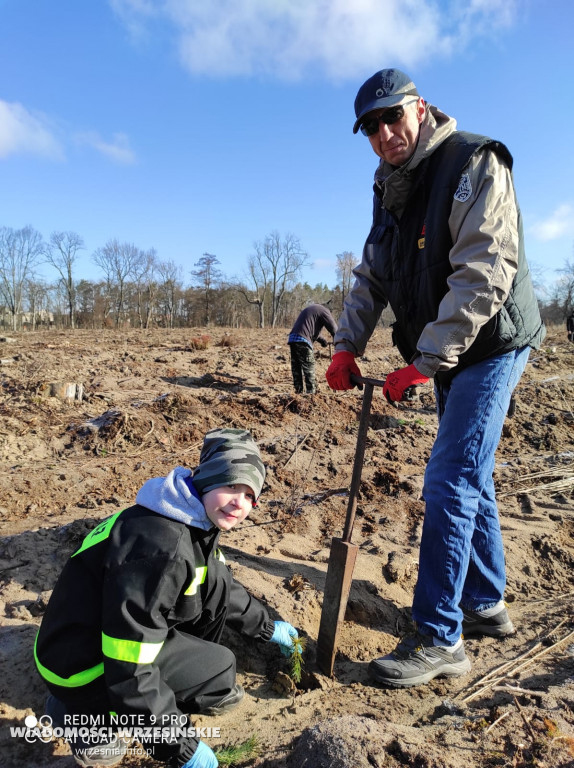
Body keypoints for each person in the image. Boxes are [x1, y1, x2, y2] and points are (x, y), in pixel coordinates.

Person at [326, 68, 545, 688]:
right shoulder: (390, 185)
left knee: (450, 475)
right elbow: (373, 274)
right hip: (449, 345)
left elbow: (484, 272)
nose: (384, 133)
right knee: (470, 471)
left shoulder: (473, 163)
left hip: (492, 338)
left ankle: (440, 636)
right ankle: (483, 603)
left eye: (392, 117)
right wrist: (346, 347)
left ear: (419, 108)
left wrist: (424, 361)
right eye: (370, 127)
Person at [34, 428, 300, 768]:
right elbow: (129, 665)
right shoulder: (164, 548)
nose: (240, 503)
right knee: (212, 674)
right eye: (231, 485)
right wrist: (178, 745)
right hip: (77, 664)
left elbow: (218, 583)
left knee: (219, 669)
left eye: (250, 495)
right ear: (206, 479)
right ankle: (82, 717)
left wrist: (268, 627)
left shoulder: (189, 517)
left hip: (90, 633)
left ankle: (111, 705)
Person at [288, 303, 337, 393]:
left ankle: (298, 392)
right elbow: (333, 328)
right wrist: (337, 340)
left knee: (296, 367)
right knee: (309, 367)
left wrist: (323, 341)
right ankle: (311, 394)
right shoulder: (324, 311)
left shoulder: (313, 310)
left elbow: (310, 330)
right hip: (303, 340)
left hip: (293, 338)